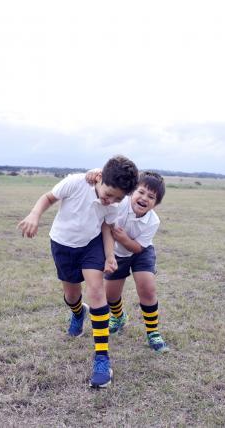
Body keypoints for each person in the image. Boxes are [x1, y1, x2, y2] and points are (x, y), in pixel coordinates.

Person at [17, 156, 138, 388]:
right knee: (72, 296)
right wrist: (34, 215)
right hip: (63, 244)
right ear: (100, 177)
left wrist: (110, 256)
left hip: (91, 245)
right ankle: (77, 313)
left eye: (117, 199)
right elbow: (48, 197)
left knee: (96, 291)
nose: (110, 201)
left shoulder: (116, 203)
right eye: (109, 194)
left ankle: (102, 359)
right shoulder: (76, 182)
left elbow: (106, 226)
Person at [86, 170, 169, 353]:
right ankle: (119, 316)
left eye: (151, 196)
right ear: (131, 191)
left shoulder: (153, 221)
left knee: (147, 287)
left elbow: (138, 248)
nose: (144, 198)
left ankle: (153, 332)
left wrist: (123, 238)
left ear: (155, 204)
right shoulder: (119, 203)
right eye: (141, 192)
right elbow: (105, 183)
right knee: (111, 296)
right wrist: (95, 173)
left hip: (140, 251)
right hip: (115, 253)